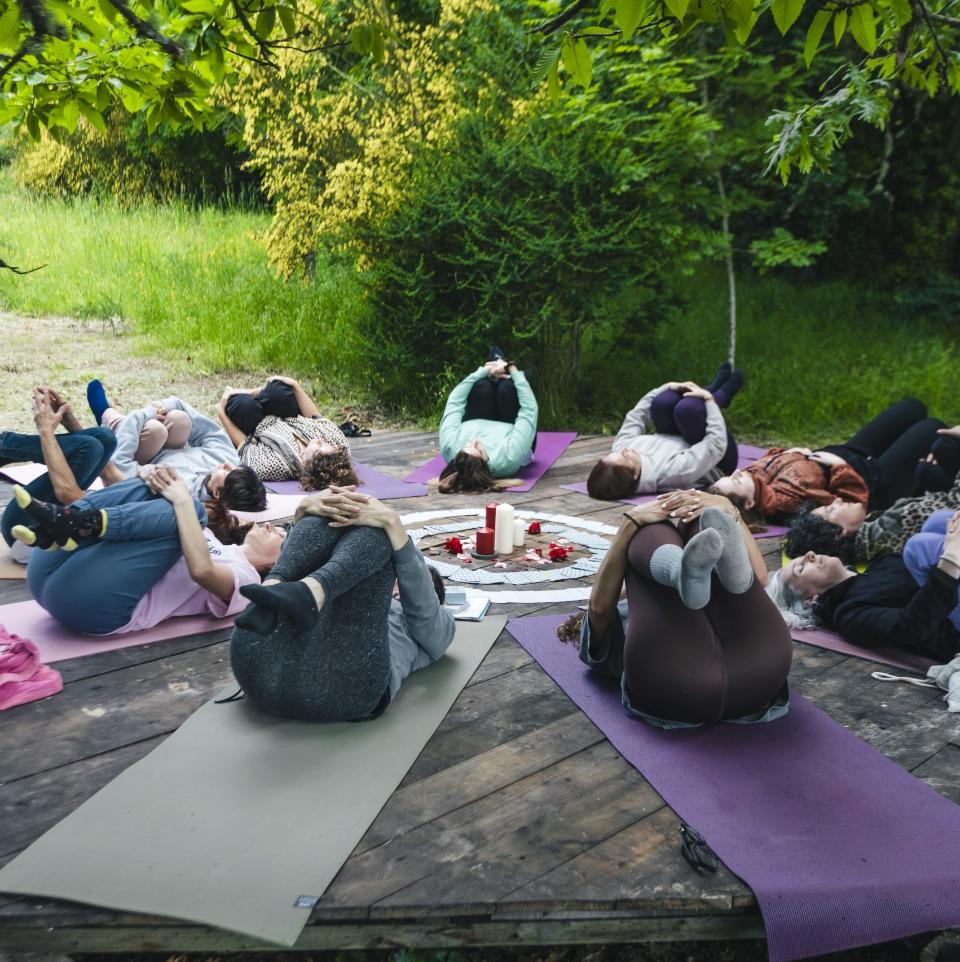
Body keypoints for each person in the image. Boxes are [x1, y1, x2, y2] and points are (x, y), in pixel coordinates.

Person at [557, 489, 791, 728]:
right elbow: (598, 609)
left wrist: (726, 509)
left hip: (681, 687)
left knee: (693, 520)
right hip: (763, 671)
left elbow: (601, 607)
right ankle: (687, 569)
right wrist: (630, 524)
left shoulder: (631, 616)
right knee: (659, 528)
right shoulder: (602, 626)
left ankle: (680, 571)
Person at [229, 487, 456, 721]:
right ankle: (276, 588)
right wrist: (304, 511)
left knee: (379, 535)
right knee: (321, 517)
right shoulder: (343, 584)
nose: (400, 582)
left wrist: (392, 523)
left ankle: (308, 587)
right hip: (260, 667)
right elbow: (310, 555)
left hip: (347, 688)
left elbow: (423, 608)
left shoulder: (439, 627)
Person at [9, 469, 283, 636]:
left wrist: (184, 501)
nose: (273, 527)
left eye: (283, 537)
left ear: (275, 564)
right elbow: (139, 503)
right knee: (160, 484)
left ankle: (78, 523)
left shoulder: (248, 579)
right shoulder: (213, 537)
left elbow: (202, 571)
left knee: (190, 508)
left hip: (94, 607)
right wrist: (150, 475)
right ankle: (58, 525)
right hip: (46, 574)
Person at [767, 515, 960, 663]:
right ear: (809, 600)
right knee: (919, 547)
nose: (809, 554)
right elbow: (911, 626)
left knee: (936, 522)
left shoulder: (878, 567)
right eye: (801, 568)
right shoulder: (851, 616)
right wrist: (951, 558)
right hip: (952, 629)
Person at [712, 398, 944, 520]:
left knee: (913, 407)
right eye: (737, 481)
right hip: (874, 481)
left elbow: (775, 458)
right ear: (751, 503)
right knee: (932, 428)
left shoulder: (754, 475)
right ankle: (919, 485)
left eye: (732, 475)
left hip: (850, 450)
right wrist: (840, 467)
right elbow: (848, 503)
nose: (739, 472)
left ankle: (917, 481)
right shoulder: (787, 503)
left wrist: (794, 451)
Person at [86, 379, 267, 512]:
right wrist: (168, 405)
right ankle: (117, 421)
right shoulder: (228, 460)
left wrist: (142, 415)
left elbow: (120, 464)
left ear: (217, 493)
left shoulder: (178, 489)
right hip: (173, 443)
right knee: (180, 419)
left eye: (227, 472)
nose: (228, 465)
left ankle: (109, 418)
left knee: (155, 430)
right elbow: (206, 430)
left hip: (143, 455)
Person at [586, 363, 744, 501]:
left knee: (662, 402)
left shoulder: (621, 450)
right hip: (718, 458)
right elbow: (715, 445)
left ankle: (710, 388)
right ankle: (718, 396)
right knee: (687, 410)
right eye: (625, 457)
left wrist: (667, 386)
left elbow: (636, 416)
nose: (625, 450)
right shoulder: (676, 473)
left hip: (681, 436)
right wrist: (710, 401)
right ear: (635, 475)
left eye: (615, 453)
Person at [1, 387, 126, 554]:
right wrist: (68, 420)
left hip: (30, 531)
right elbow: (109, 472)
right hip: (57, 512)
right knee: (104, 438)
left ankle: (4, 443)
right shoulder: (146, 497)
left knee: (89, 447)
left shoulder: (145, 518)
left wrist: (46, 430)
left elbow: (67, 493)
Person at [785, 462, 960, 566]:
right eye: (831, 510)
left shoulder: (872, 542)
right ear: (838, 534)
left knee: (927, 468)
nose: (837, 500)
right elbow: (955, 501)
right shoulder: (891, 527)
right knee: (944, 446)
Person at [217, 376, 358, 490]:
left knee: (240, 403)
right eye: (325, 444)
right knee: (278, 389)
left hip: (256, 426)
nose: (320, 441)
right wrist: (295, 385)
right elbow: (316, 418)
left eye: (318, 449)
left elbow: (244, 446)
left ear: (307, 463)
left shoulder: (274, 466)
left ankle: (249, 398)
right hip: (287, 414)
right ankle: (259, 395)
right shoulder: (339, 446)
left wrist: (221, 411)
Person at [437, 349, 538, 494]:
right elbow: (529, 411)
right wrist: (513, 370)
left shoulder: (450, 448)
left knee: (481, 387)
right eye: (478, 450)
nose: (475, 442)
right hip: (511, 426)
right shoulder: (509, 457)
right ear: (487, 465)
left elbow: (454, 402)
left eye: (467, 446)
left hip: (480, 416)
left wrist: (485, 371)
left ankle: (495, 367)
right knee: (507, 388)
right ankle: (504, 367)